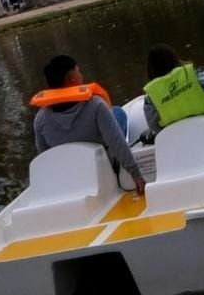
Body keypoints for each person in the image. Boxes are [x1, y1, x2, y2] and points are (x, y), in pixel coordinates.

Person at [32, 55, 146, 195]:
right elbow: (116, 142)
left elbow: (45, 156)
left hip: (69, 174)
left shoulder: (40, 118)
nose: (82, 75)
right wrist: (136, 174)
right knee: (118, 113)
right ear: (72, 79)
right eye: (78, 71)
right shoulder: (95, 105)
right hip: (101, 167)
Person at [143, 44, 204, 134]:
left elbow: (155, 128)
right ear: (174, 59)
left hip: (181, 145)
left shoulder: (151, 98)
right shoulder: (198, 77)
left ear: (150, 69)